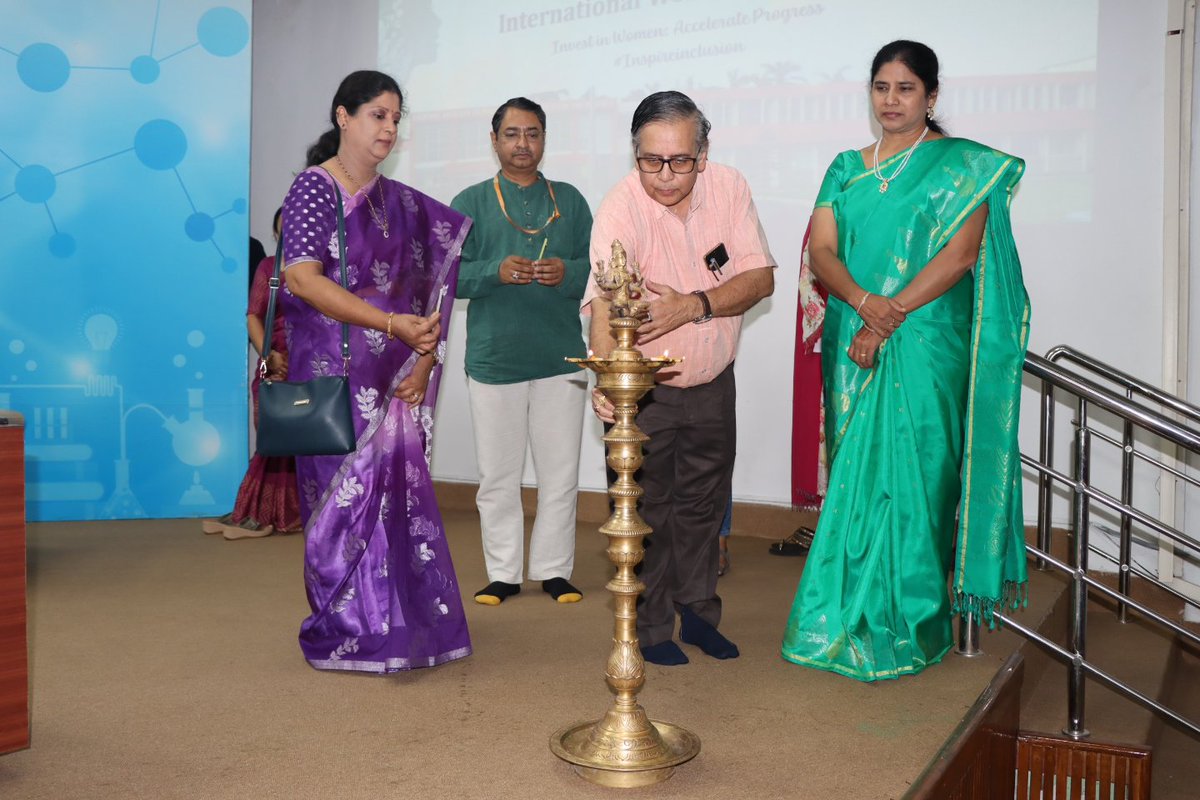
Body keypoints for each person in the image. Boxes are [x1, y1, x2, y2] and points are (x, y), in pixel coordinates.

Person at [781, 41, 1030, 681]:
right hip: (852, 335)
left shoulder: (963, 167)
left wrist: (887, 314)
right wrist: (864, 303)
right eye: (881, 88)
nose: (891, 101)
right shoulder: (845, 166)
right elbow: (824, 252)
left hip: (926, 340)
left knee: (920, 480)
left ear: (931, 96)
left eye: (906, 89)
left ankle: (914, 622)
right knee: (855, 482)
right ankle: (839, 619)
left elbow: (960, 257)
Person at [279, 70, 472, 673]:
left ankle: (402, 623)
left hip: (395, 380)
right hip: (331, 380)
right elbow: (301, 278)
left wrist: (423, 357)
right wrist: (392, 328)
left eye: (395, 117)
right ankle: (346, 629)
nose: (388, 128)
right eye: (376, 115)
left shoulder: (405, 205)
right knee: (339, 506)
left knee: (398, 504)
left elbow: (434, 282)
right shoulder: (316, 189)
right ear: (343, 116)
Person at [585, 90, 775, 666]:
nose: (665, 176)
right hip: (647, 388)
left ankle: (698, 614)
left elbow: (760, 278)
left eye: (681, 161)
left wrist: (693, 305)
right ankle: (650, 628)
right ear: (635, 153)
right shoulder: (620, 208)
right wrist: (606, 382)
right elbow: (601, 306)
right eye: (651, 161)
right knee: (648, 507)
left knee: (702, 505)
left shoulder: (730, 187)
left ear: (704, 151)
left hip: (714, 380)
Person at [450, 98, 593, 606]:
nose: (522, 144)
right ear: (494, 140)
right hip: (495, 360)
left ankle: (554, 570)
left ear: (544, 139)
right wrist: (494, 271)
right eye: (511, 134)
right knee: (497, 477)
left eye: (532, 134)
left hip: (561, 357)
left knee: (560, 473)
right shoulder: (468, 202)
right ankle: (503, 573)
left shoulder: (571, 201)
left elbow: (597, 271)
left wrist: (568, 273)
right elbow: (447, 279)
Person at [203, 208, 302, 540]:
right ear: (277, 234)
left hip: (311, 366)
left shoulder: (325, 271)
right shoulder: (268, 268)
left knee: (302, 440)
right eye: (283, 229)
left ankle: (264, 513)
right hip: (272, 364)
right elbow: (253, 316)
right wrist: (269, 356)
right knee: (273, 438)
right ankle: (259, 511)